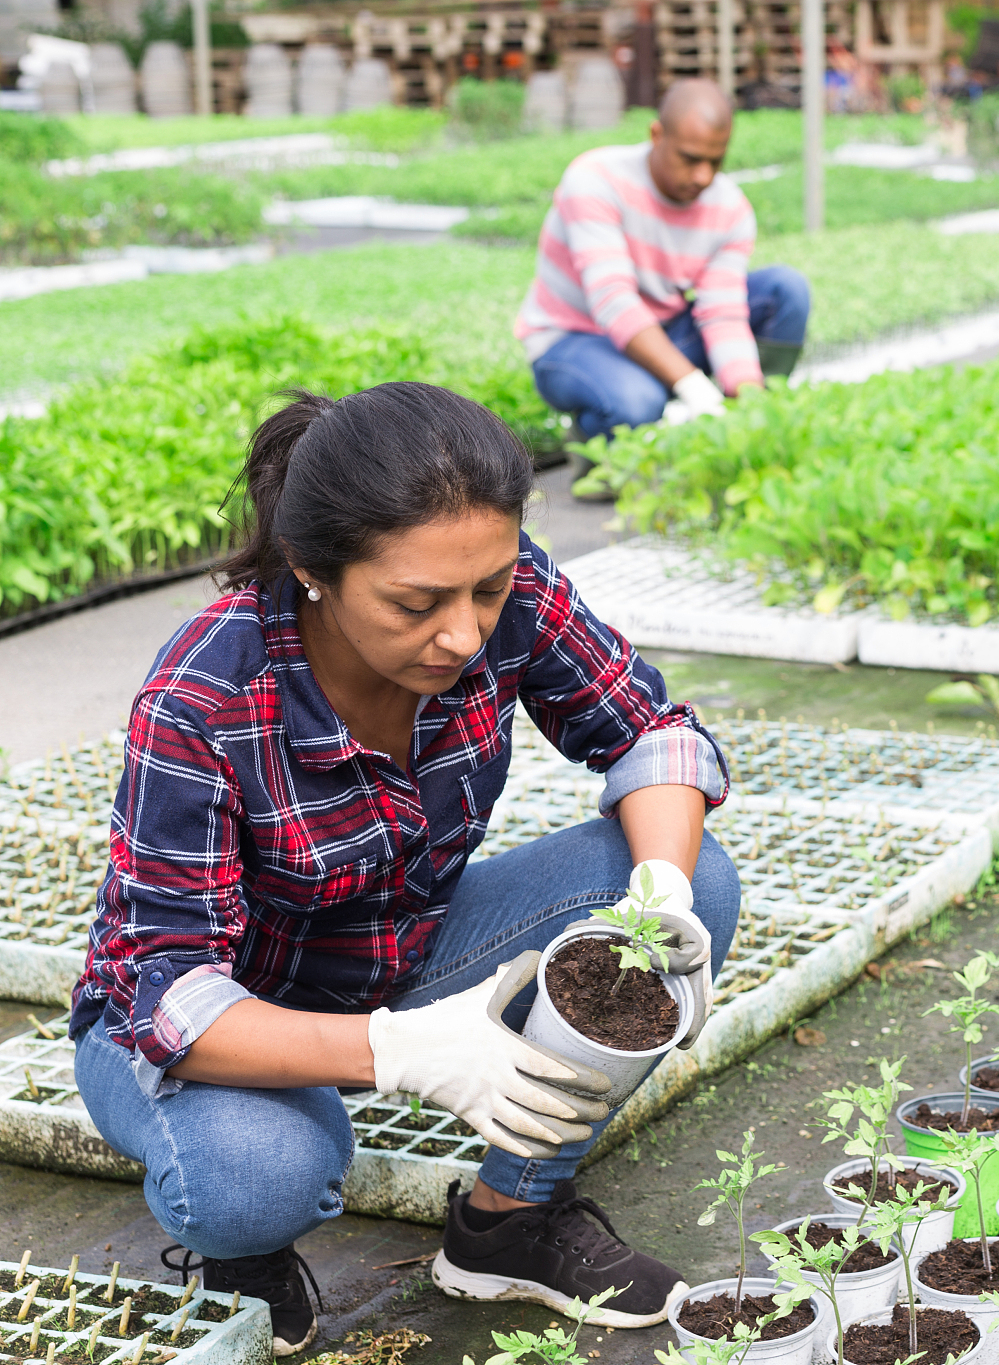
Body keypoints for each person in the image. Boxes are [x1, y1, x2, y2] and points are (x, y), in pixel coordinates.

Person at [70, 382, 740, 1356]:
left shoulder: (506, 588)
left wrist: (663, 895)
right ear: (313, 570)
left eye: (488, 591)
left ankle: (510, 1222)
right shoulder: (206, 700)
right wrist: (399, 1050)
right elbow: (167, 998)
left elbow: (650, 734)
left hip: (404, 956)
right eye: (415, 604)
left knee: (692, 880)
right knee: (253, 1176)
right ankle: (247, 1250)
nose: (463, 633)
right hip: (220, 1027)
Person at [519, 77, 810, 445]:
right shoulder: (596, 180)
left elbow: (723, 313)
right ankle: (591, 448)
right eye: (690, 159)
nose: (703, 176)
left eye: (715, 161)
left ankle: (755, 428)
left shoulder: (729, 209)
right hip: (574, 340)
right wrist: (693, 386)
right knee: (637, 401)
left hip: (663, 330)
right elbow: (613, 302)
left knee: (786, 290)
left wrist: (746, 396)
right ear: (657, 135)